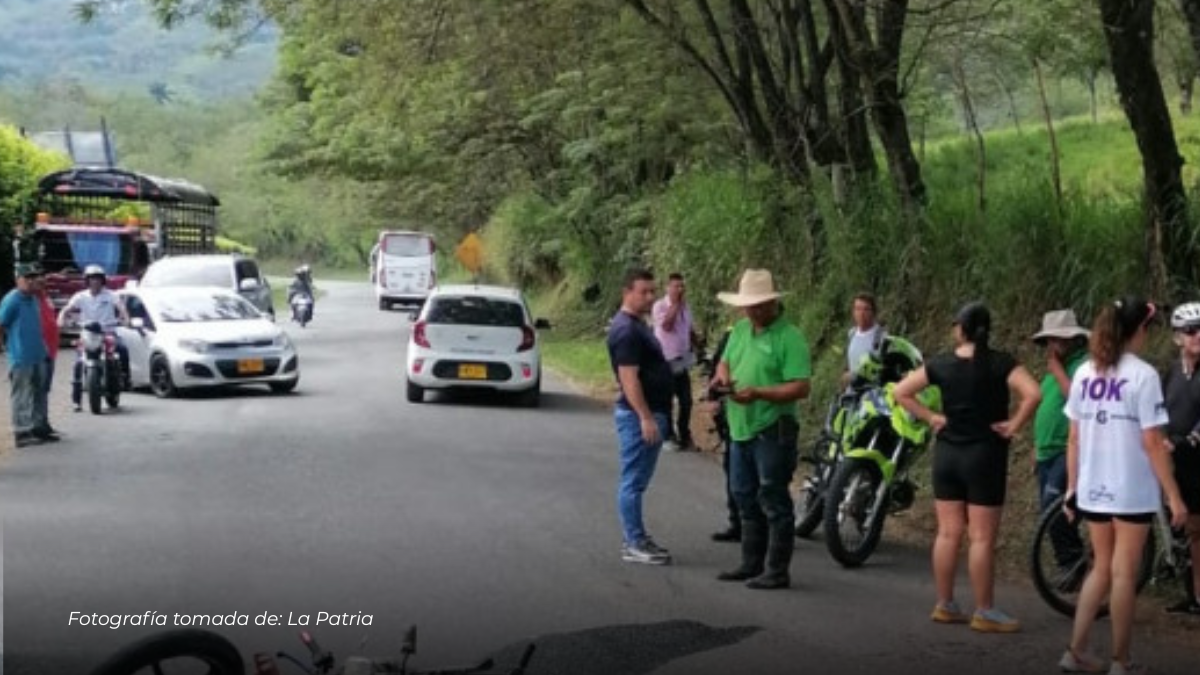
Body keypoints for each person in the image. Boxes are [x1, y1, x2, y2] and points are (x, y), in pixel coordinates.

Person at [894, 301, 1041, 632]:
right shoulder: (1002, 363)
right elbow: (1033, 394)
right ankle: (984, 609)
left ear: (961, 329)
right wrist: (1014, 424)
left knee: (948, 532)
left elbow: (901, 392)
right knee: (981, 538)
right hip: (984, 456)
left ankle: (945, 603)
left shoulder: (941, 364)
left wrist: (932, 417)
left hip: (947, 454)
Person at [1059, 297, 1187, 674]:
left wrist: (1072, 487)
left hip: (1094, 487)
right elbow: (1151, 442)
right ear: (1140, 330)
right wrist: (1174, 496)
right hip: (1130, 489)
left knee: (1100, 568)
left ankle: (1076, 651)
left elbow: (1074, 438)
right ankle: (1121, 660)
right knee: (1123, 574)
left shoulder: (1085, 372)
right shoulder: (1143, 376)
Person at [710, 269, 811, 590]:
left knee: (773, 496)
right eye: (747, 306)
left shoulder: (789, 337)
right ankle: (750, 562)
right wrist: (723, 378)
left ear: (771, 303)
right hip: (740, 427)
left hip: (772, 426)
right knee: (743, 495)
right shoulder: (740, 330)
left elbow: (800, 387)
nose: (751, 311)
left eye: (758, 305)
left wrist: (757, 392)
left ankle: (777, 569)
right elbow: (724, 362)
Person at [607, 268, 675, 565]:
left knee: (637, 480)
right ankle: (633, 541)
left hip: (652, 411)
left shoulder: (638, 326)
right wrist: (645, 417)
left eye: (652, 291)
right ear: (627, 292)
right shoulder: (627, 331)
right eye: (643, 291)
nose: (650, 297)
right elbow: (629, 378)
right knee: (633, 481)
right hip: (640, 416)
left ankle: (637, 537)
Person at [1159, 302, 1200, 616]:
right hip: (1174, 459)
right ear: (1177, 337)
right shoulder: (1171, 371)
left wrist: (1187, 441)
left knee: (1197, 530)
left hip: (1193, 456)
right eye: (1190, 331)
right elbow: (1158, 409)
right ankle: (1190, 592)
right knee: (1185, 527)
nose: (1197, 335)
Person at [1031, 309, 1091, 512]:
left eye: (1061, 339)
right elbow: (1045, 407)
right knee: (1048, 514)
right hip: (1046, 451)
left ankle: (1071, 544)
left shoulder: (1081, 365)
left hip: (1065, 449)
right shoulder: (1053, 372)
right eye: (1051, 340)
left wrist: (1057, 371)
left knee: (1054, 509)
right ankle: (1070, 544)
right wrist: (1036, 446)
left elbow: (1078, 400)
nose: (1055, 345)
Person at [58, 265, 130, 412]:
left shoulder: (111, 295)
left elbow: (121, 309)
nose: (94, 282)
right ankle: (76, 401)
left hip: (107, 332)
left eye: (97, 279)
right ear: (87, 281)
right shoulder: (80, 296)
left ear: (102, 280)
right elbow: (67, 308)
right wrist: (61, 318)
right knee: (78, 363)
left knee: (122, 349)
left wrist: (125, 319)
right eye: (91, 279)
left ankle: (125, 379)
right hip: (87, 335)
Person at [1, 263, 54, 447]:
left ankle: (37, 427)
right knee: (21, 394)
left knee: (39, 392)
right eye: (27, 278)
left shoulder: (34, 299)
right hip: (21, 356)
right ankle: (21, 431)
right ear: (18, 280)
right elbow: (2, 324)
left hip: (38, 353)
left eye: (34, 277)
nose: (32, 281)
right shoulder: (12, 300)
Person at [652, 272, 701, 451]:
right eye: (676, 286)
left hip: (682, 360)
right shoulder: (660, 306)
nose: (680, 289)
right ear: (668, 287)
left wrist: (697, 344)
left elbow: (688, 329)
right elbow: (667, 325)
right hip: (665, 361)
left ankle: (684, 434)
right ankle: (668, 435)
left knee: (686, 400)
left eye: (682, 286)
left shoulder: (686, 307)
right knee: (667, 401)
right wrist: (675, 305)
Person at [35, 273, 61, 438]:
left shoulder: (46, 299)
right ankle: (37, 425)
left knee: (44, 389)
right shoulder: (32, 300)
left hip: (51, 351)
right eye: (39, 282)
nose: (42, 284)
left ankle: (44, 422)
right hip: (39, 351)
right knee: (38, 390)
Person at [844, 292, 886, 387]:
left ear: (873, 312)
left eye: (866, 309)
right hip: (852, 393)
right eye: (858, 309)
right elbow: (850, 362)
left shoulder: (881, 337)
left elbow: (883, 369)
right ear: (853, 312)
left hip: (872, 394)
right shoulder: (852, 333)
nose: (861, 314)